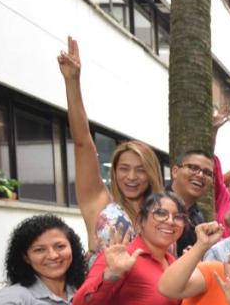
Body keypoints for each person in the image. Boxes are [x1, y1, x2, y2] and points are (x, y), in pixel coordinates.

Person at [56, 37, 164, 257]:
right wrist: (72, 82)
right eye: (124, 168)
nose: (131, 177)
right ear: (114, 172)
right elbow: (82, 142)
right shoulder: (99, 204)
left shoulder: (163, 214)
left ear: (152, 173)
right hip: (105, 289)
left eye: (140, 169)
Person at [169, 149, 218, 255]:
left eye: (207, 172)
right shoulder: (155, 206)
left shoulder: (199, 218)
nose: (200, 175)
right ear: (175, 171)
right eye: (193, 168)